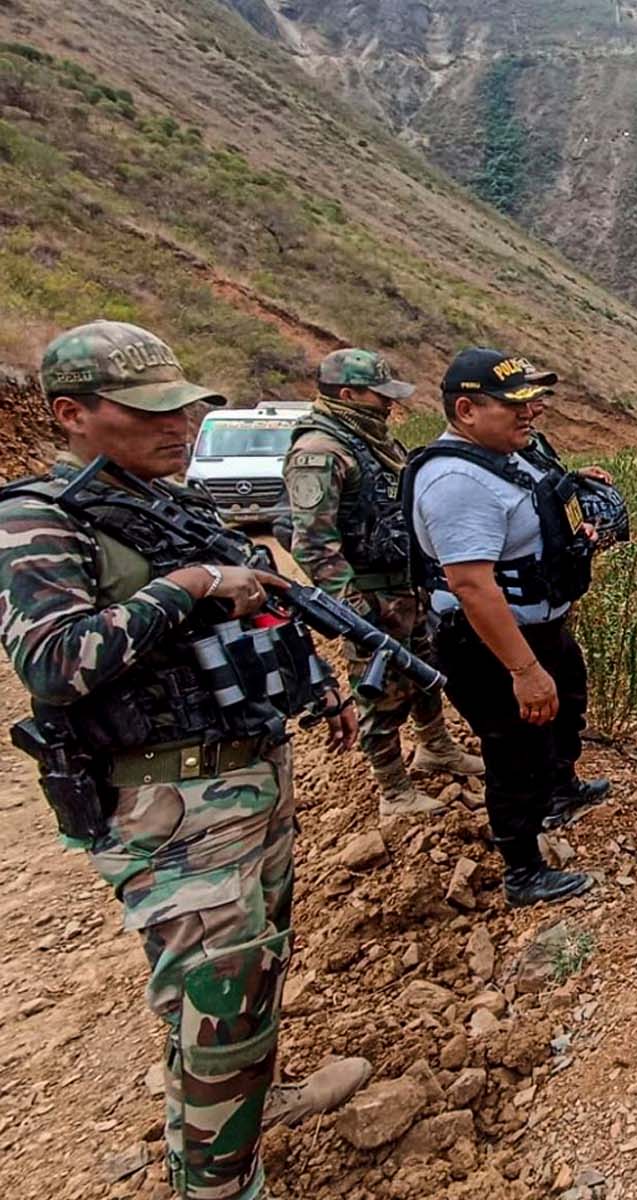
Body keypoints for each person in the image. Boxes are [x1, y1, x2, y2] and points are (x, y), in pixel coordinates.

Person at [0, 321, 370, 1200]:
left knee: (251, 971)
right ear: (72, 414)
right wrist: (191, 585)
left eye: (184, 409)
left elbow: (254, 613)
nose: (180, 427)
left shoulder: (169, 504)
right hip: (165, 797)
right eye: (149, 413)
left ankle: (246, 1109)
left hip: (244, 772)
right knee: (218, 990)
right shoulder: (38, 517)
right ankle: (218, 1180)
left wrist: (316, 685)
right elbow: (54, 661)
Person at [403, 347, 614, 907]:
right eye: (513, 403)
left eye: (530, 400)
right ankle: (523, 870)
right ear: (467, 410)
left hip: (539, 627)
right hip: (489, 645)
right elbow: (472, 586)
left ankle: (561, 791)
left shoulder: (503, 457)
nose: (530, 411)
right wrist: (523, 670)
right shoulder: (456, 482)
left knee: (565, 704)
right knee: (515, 747)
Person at [283, 348, 484, 818]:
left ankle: (435, 746)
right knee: (381, 691)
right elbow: (312, 545)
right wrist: (352, 610)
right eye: (379, 395)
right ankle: (393, 789)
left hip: (405, 584)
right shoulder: (320, 452)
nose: (389, 403)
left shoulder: (370, 440)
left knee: (424, 671)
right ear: (348, 394)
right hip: (369, 593)